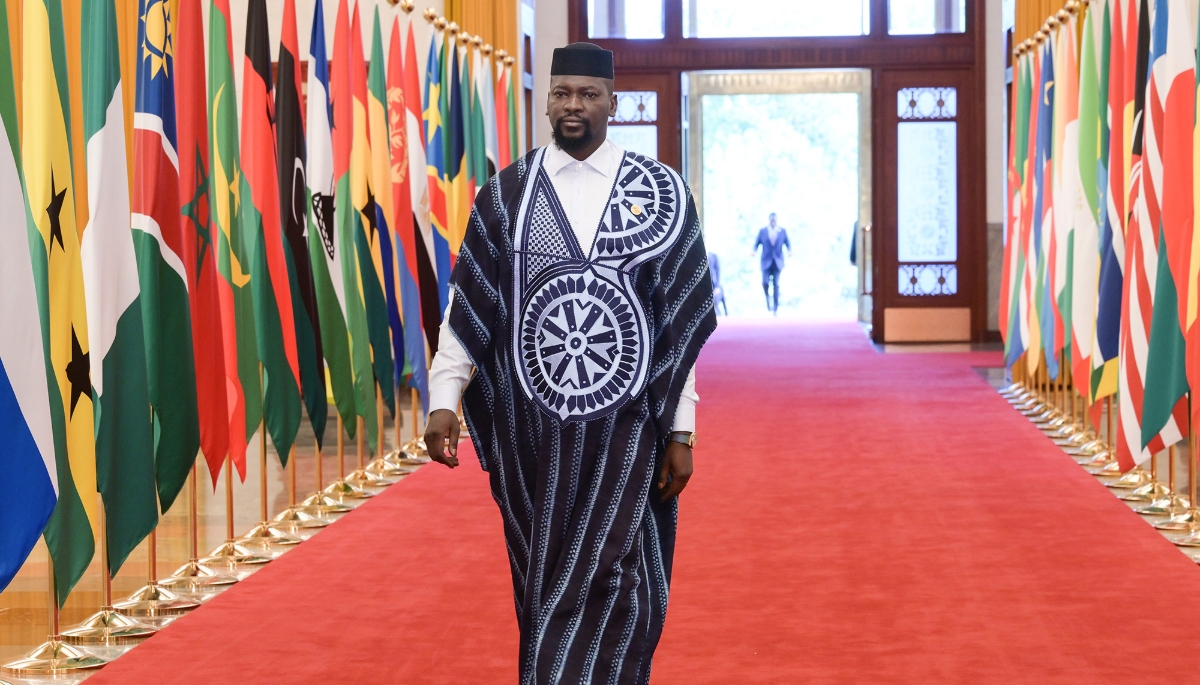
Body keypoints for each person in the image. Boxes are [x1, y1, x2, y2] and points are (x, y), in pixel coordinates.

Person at [423, 42, 717, 685]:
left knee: (618, 582)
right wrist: (445, 396)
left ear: (614, 103)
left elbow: (678, 330)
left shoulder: (660, 193)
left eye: (587, 94)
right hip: (534, 443)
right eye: (561, 93)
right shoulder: (505, 196)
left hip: (629, 435)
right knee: (545, 584)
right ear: (547, 100)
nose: (573, 106)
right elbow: (469, 304)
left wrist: (683, 430)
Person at [753, 212, 791, 314]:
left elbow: (787, 242)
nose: (773, 222)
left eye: (775, 220)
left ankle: (775, 307)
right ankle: (768, 300)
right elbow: (757, 243)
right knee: (765, 283)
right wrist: (754, 251)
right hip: (766, 261)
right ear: (769, 220)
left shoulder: (782, 231)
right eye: (772, 220)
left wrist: (789, 251)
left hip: (777, 262)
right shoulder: (763, 231)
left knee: (776, 284)